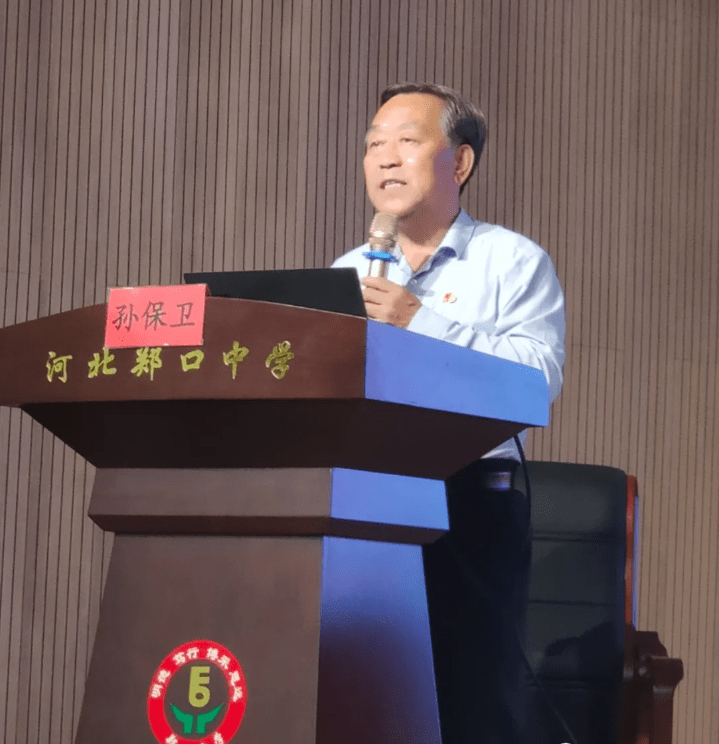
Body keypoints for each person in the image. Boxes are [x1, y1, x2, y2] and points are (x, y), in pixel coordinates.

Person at [332, 82, 566, 743]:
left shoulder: (511, 261)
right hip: (359, 503)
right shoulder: (348, 271)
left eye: (406, 141)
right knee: (363, 694)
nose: (384, 158)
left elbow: (535, 381)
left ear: (458, 162)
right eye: (374, 144)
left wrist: (418, 320)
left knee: (469, 702)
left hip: (470, 504)